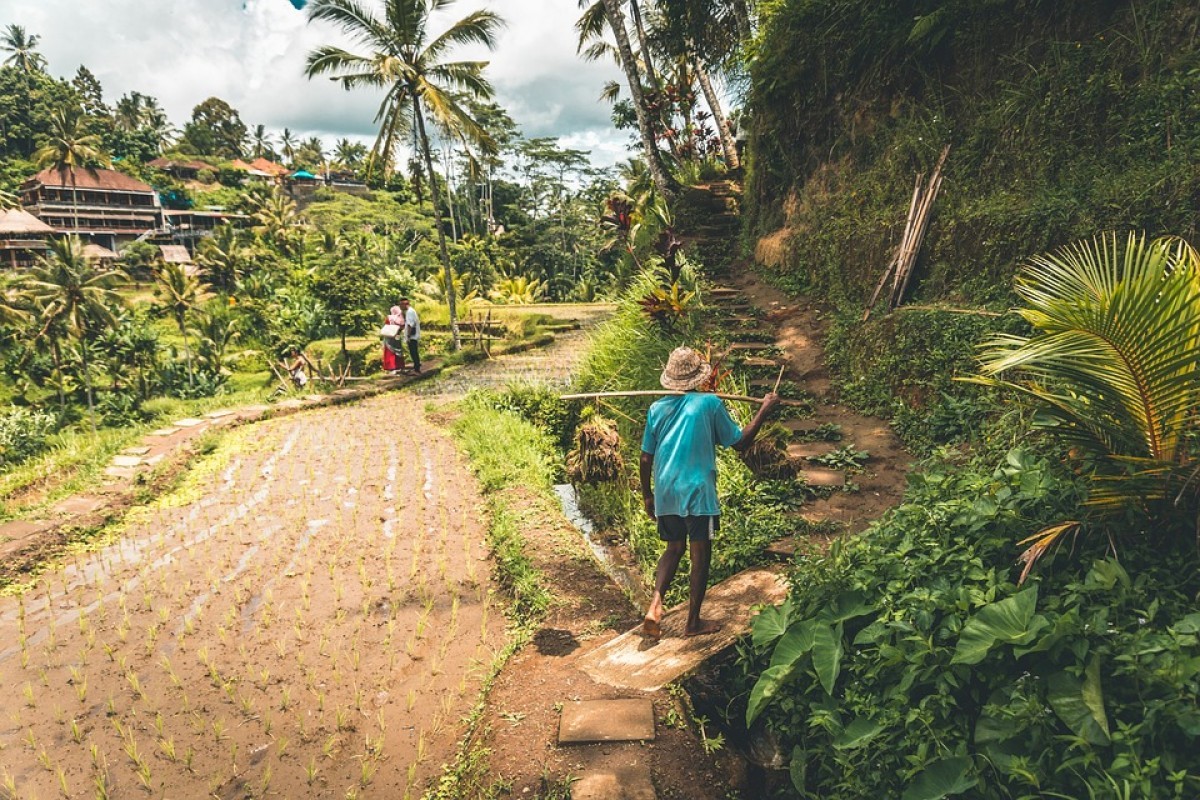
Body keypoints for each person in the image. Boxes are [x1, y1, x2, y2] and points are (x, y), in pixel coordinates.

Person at [640, 346, 779, 638]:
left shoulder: (656, 409)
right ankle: (693, 622)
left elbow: (645, 458)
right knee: (699, 554)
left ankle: (655, 605)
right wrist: (764, 410)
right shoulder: (709, 404)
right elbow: (739, 442)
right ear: (698, 378)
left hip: (666, 490)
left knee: (673, 547)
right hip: (697, 491)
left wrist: (648, 495)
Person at [398, 297, 421, 374]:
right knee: (414, 351)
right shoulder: (410, 311)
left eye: (401, 304)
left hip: (412, 336)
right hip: (412, 335)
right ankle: (416, 367)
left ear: (405, 304)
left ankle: (417, 369)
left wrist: (408, 336)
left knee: (413, 352)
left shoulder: (410, 312)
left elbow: (410, 325)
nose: (400, 307)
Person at [382, 305, 406, 374]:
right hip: (397, 336)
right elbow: (402, 326)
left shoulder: (389, 317)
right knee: (398, 351)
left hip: (389, 337)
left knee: (390, 352)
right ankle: (401, 367)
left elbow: (386, 325)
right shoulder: (400, 318)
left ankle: (392, 368)